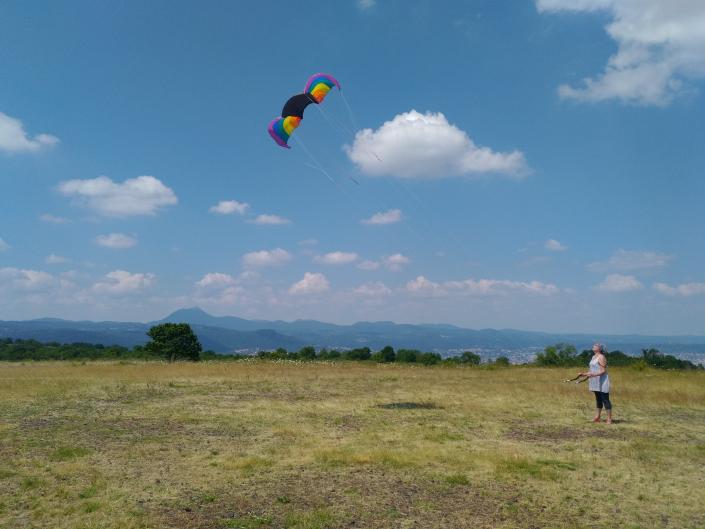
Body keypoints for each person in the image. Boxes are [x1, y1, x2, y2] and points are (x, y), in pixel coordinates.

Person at [579, 343, 612, 424]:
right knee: (598, 399)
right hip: (595, 381)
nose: (594, 346)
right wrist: (584, 374)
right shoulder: (593, 357)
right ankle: (597, 417)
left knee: (605, 399)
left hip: (602, 381)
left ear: (599, 348)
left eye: (596, 345)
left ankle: (609, 419)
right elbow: (592, 370)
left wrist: (593, 374)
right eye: (594, 345)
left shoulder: (601, 357)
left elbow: (603, 371)